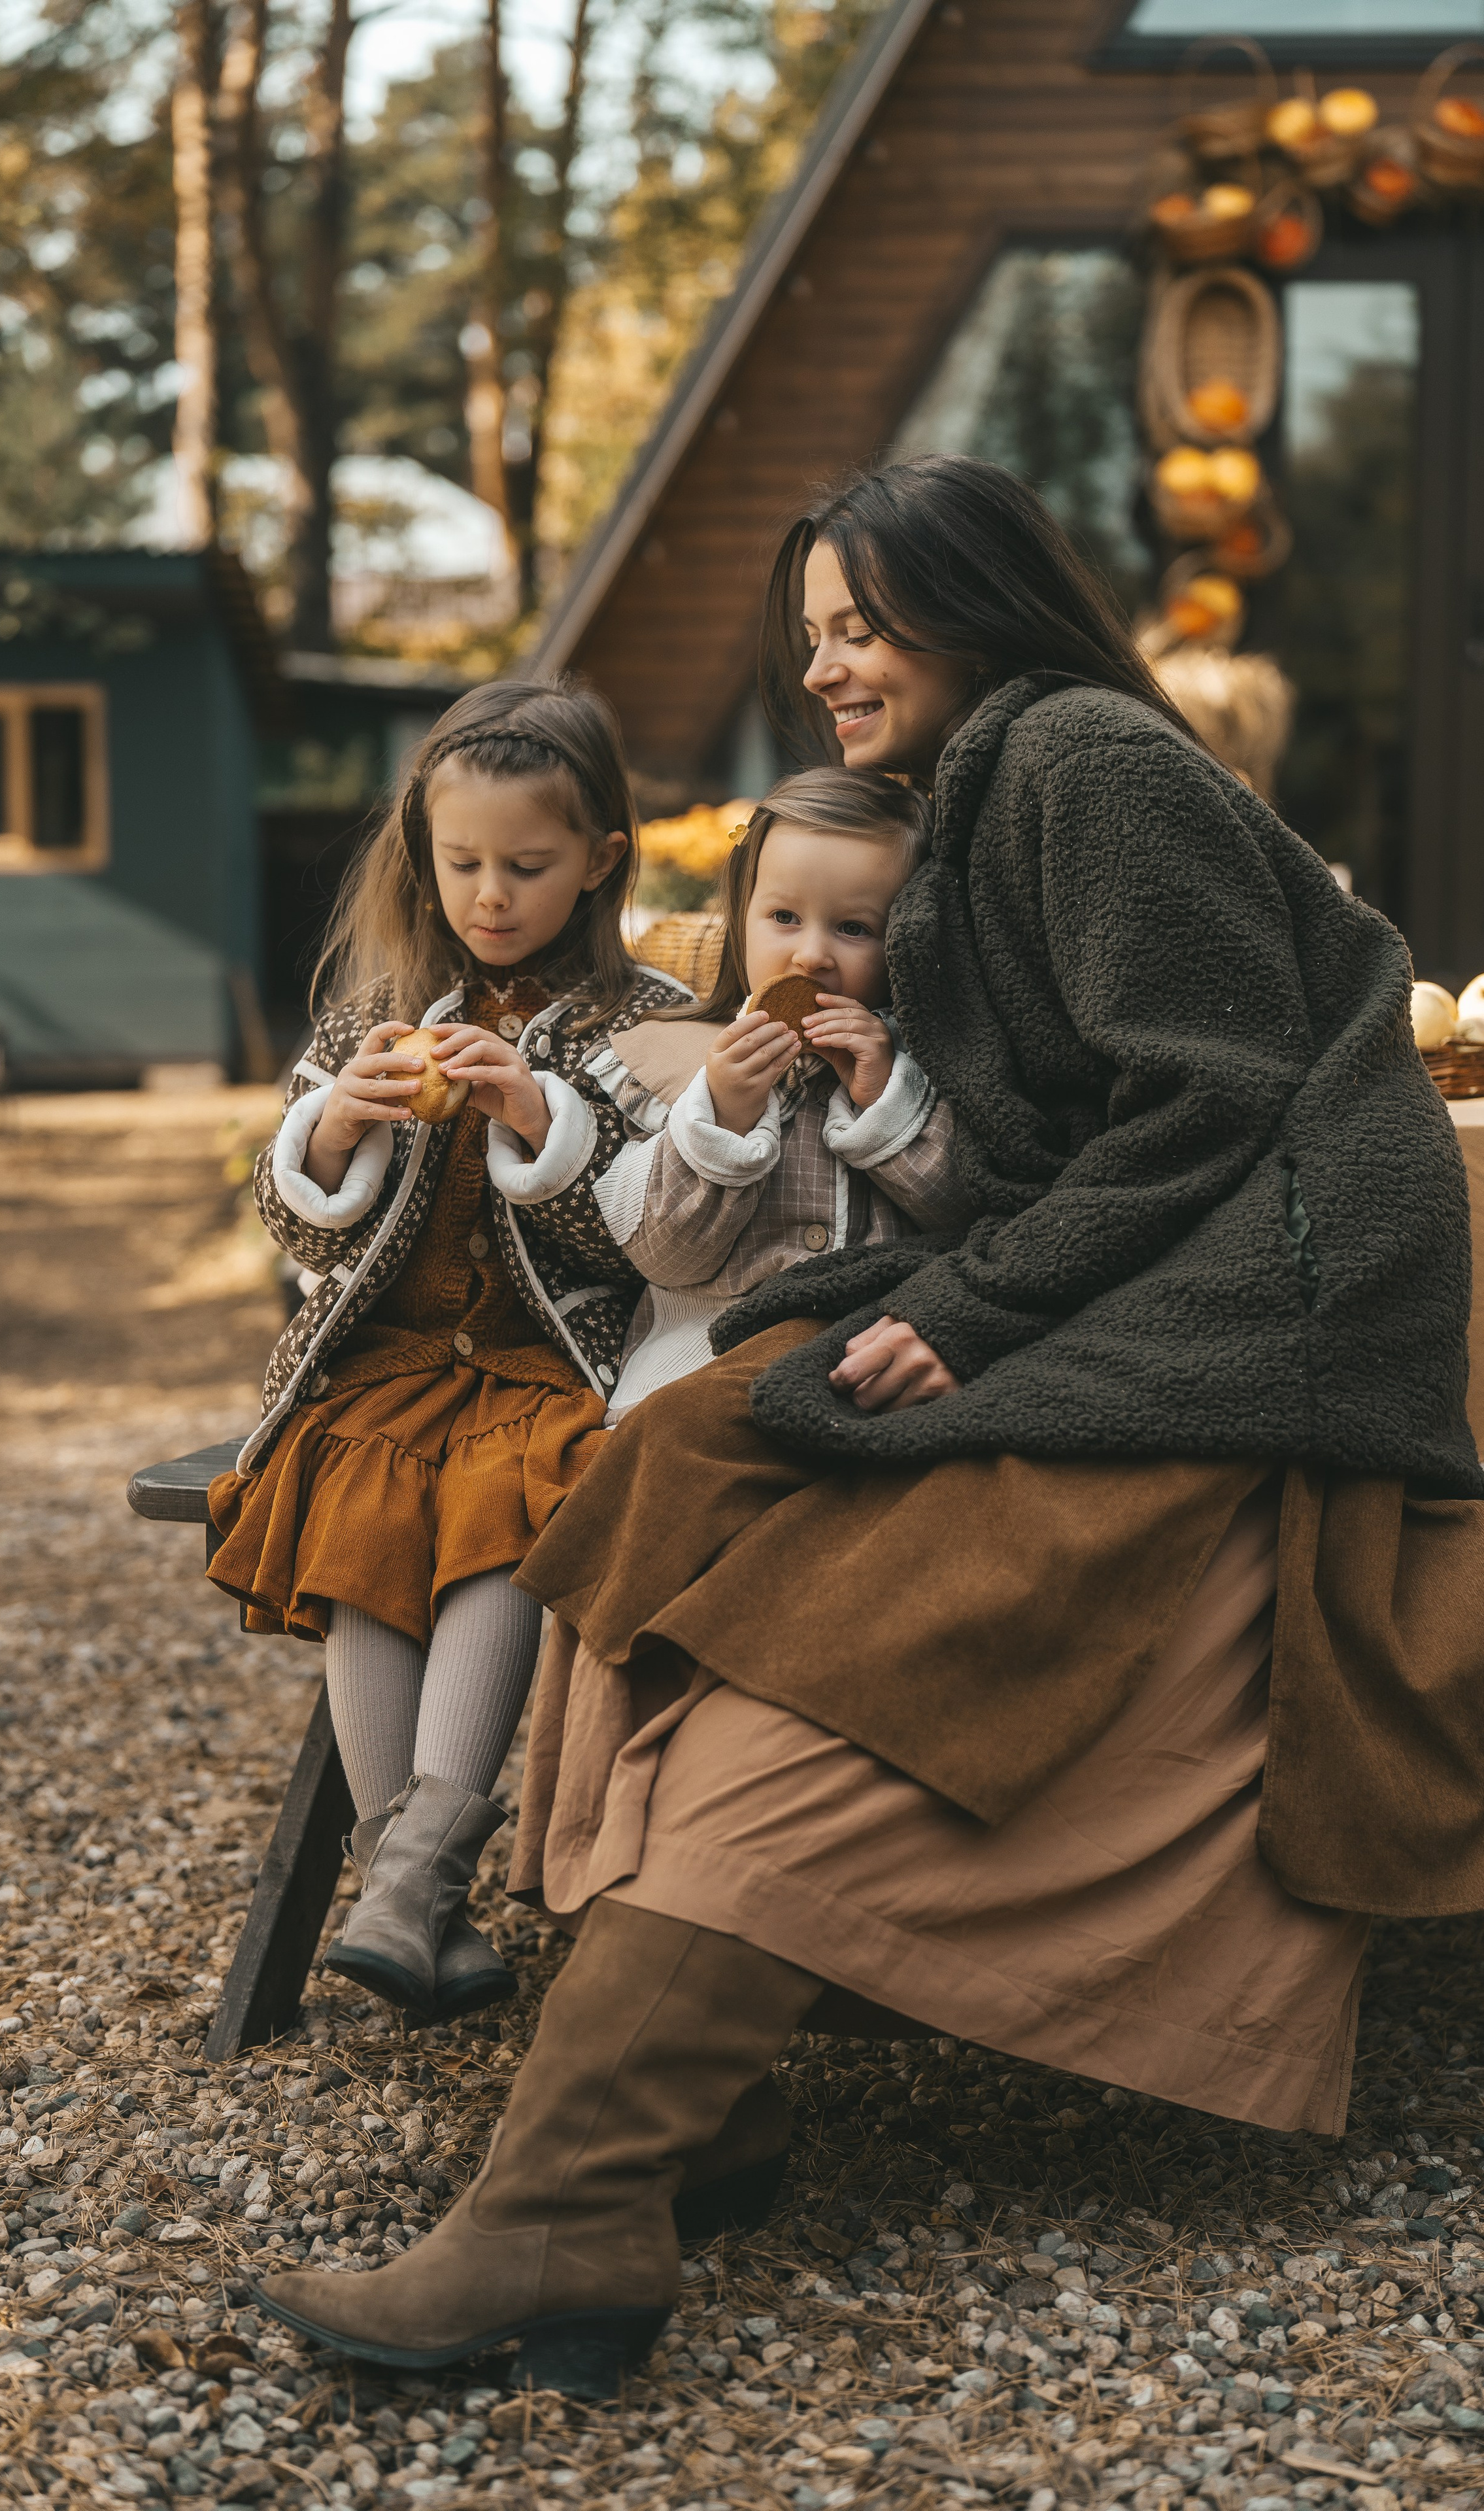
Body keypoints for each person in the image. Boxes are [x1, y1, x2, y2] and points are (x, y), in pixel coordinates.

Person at [252, 454, 1484, 2395]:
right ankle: (702, 2112)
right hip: (1131, 1265)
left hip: (1262, 1299)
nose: (823, 666)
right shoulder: (981, 790)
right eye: (813, 632)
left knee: (869, 1599)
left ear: (970, 609)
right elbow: (1044, 1136)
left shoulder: (1085, 758)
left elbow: (1211, 1102)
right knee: (674, 1453)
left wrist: (964, 1311)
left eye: (860, 625)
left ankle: (574, 2193)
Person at [206, 679, 684, 2024]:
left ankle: (403, 1887)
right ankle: (420, 1904)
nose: (490, 895)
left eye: (526, 866)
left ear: (599, 860)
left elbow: (654, 1231)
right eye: (462, 862)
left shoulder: (642, 1024)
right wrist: (330, 1134)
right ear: (423, 853)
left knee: (499, 1524)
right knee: (362, 1527)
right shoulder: (375, 1011)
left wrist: (542, 1119)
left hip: (547, 1370)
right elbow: (285, 1216)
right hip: (391, 1366)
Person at [582, 766, 975, 1418]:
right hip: (705, 1364)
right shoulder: (680, 1066)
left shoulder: (929, 1066)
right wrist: (724, 1117)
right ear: (741, 919)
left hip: (870, 1366)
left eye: (854, 928)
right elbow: (662, 1256)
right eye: (785, 918)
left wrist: (885, 1102)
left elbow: (965, 1212)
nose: (811, 956)